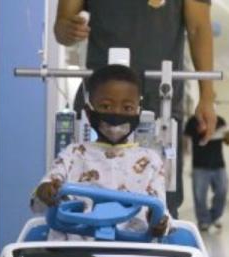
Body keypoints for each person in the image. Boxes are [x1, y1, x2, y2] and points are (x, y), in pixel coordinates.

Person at [54, 0, 218, 219]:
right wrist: (67, 30)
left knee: (161, 200)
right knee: (85, 190)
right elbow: (62, 26)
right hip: (100, 102)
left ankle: (158, 245)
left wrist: (207, 96)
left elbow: (198, 28)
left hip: (160, 99)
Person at [33, 64, 170, 240]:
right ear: (89, 113)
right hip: (76, 252)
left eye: (127, 108)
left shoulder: (150, 160)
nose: (116, 113)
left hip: (132, 253)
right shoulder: (74, 154)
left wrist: (158, 222)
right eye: (106, 106)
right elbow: (46, 189)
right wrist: (45, 190)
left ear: (138, 113)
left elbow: (161, 210)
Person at [185, 114, 229, 232]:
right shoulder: (193, 121)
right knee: (199, 196)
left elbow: (228, 142)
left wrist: (228, 135)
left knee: (222, 191)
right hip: (200, 165)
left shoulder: (220, 120)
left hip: (219, 165)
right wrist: (200, 131)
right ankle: (204, 221)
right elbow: (185, 139)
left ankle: (215, 217)